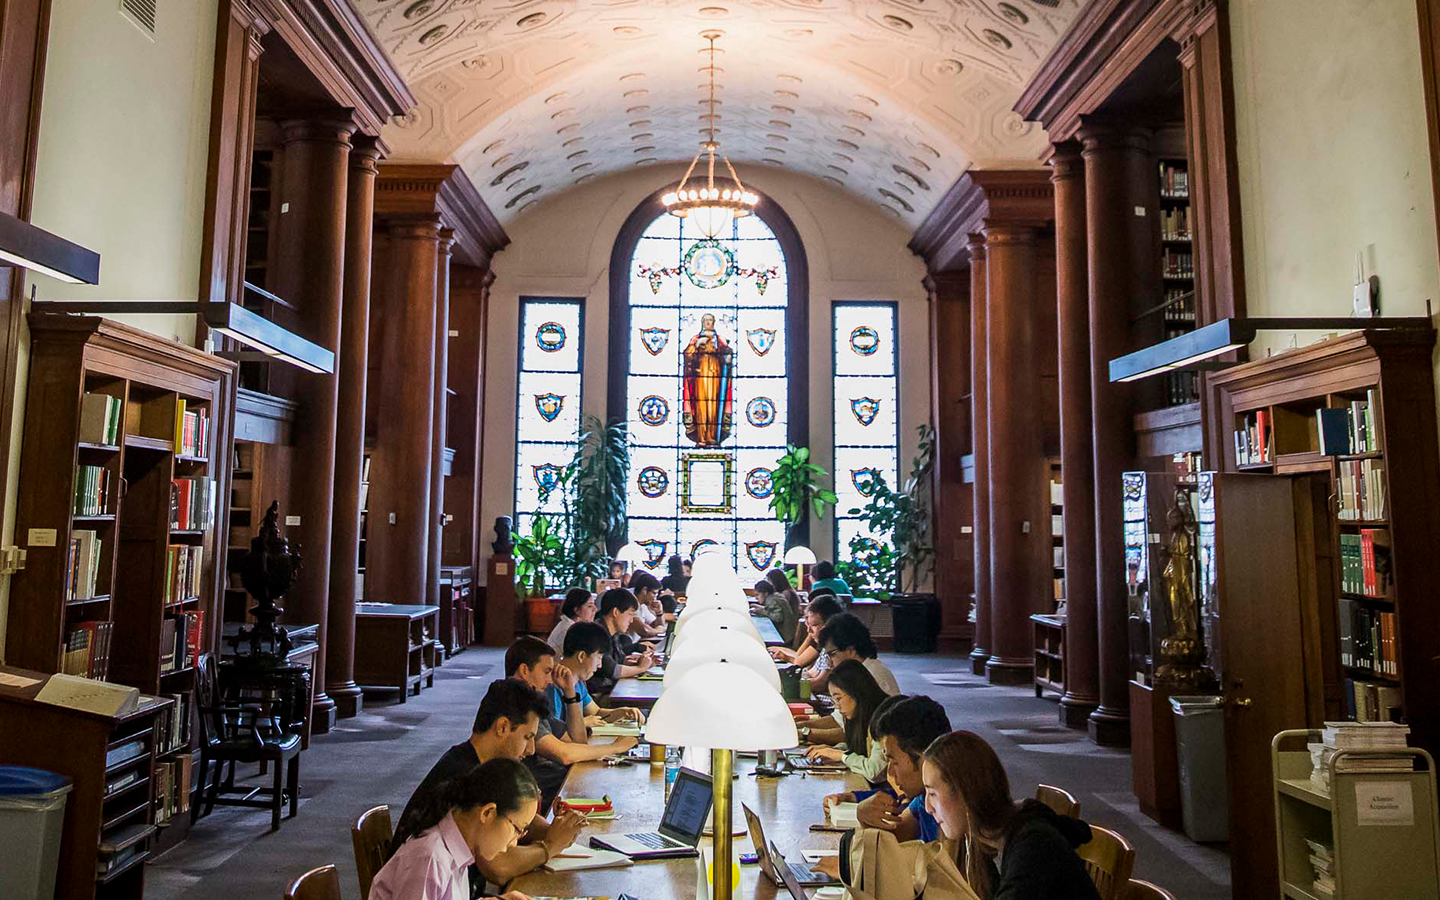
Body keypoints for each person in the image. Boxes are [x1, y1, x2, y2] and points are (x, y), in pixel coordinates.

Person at [395, 680, 585, 887]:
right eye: (527, 737)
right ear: (502, 727)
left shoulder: (482, 766)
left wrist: (558, 829)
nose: (531, 749)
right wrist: (549, 847)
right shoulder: (464, 775)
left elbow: (515, 818)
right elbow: (498, 867)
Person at [923, 731, 1101, 900]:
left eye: (932, 794)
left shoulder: (1034, 847)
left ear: (965, 792)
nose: (927, 807)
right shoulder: (980, 838)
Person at [374, 759, 542, 900]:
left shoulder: (457, 847)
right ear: (487, 813)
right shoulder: (430, 858)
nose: (514, 842)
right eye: (517, 829)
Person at [820, 695, 952, 852]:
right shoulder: (922, 799)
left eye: (894, 761)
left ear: (922, 756)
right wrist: (863, 814)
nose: (889, 771)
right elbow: (895, 837)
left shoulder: (951, 807)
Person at [506, 636, 638, 765]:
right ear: (524, 670)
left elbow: (578, 742)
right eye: (546, 672)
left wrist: (570, 694)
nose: (550, 680)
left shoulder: (534, 703)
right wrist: (615, 747)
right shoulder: (516, 704)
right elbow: (564, 754)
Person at [797, 659, 891, 783]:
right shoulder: (861, 717)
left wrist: (840, 756)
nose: (836, 706)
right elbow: (861, 748)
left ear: (856, 692)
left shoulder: (882, 720)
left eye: (838, 698)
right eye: (833, 700)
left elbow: (874, 772)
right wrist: (836, 750)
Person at [552, 621, 647, 727]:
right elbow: (554, 730)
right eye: (599, 657)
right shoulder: (553, 685)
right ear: (581, 656)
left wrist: (622, 712)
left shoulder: (578, 682)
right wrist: (583, 723)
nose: (600, 665)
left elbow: (596, 712)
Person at [587, 588, 656, 695]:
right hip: (597, 695)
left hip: (609, 690)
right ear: (615, 612)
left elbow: (618, 659)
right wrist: (641, 668)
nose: (632, 620)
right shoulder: (596, 633)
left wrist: (638, 662)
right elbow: (612, 670)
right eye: (630, 614)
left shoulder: (612, 633)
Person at [819, 611, 901, 695]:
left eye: (832, 654)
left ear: (851, 650)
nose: (829, 662)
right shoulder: (856, 671)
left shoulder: (871, 676)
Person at [770, 593, 842, 671]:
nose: (809, 630)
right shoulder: (820, 638)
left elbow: (799, 662)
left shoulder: (832, 643)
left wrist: (785, 656)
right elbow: (798, 658)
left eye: (815, 625)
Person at [546, 588, 595, 655]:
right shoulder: (568, 630)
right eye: (590, 606)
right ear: (577, 610)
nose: (595, 609)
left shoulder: (574, 626)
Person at [751, 578, 798, 649]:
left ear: (765, 593)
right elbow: (772, 610)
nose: (756, 598)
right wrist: (762, 608)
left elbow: (778, 617)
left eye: (758, 595)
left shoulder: (772, 600)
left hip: (784, 637)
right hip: (788, 634)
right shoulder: (775, 596)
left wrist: (762, 611)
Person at [765, 567, 804, 646]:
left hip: (786, 633)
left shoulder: (785, 594)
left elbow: (780, 616)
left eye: (770, 581)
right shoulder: (787, 591)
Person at [626, 570, 668, 640]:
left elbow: (655, 625)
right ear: (644, 590)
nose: (655, 598)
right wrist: (659, 631)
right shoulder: (628, 600)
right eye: (654, 593)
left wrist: (659, 613)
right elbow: (644, 630)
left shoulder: (642, 604)